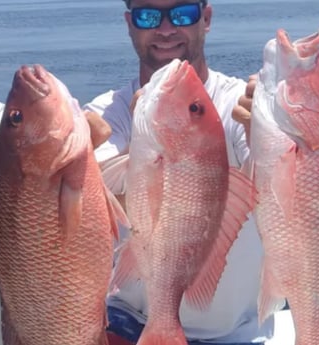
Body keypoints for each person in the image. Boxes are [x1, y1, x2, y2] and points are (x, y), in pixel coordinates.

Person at [83, 1, 270, 344]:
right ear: (129, 24)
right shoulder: (107, 114)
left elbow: (272, 187)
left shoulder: (238, 106)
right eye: (147, 16)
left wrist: (273, 128)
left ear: (207, 18)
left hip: (233, 334)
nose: (166, 29)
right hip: (126, 322)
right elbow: (99, 203)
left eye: (183, 13)